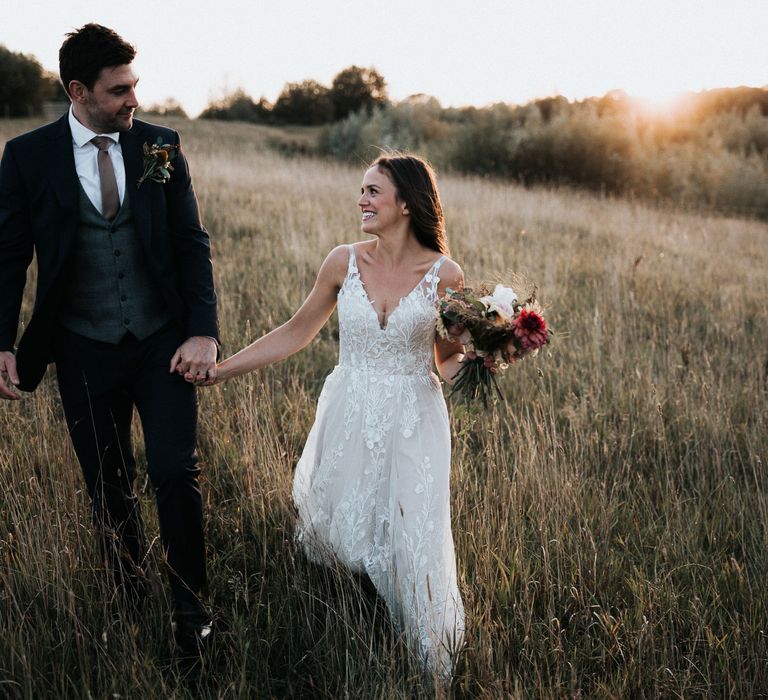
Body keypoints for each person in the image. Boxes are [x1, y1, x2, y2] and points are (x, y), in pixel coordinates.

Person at [197, 154, 466, 678]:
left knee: (410, 535)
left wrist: (486, 360)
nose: (361, 200)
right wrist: (222, 370)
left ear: (407, 203)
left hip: (414, 418)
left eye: (373, 191)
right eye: (361, 190)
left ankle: (424, 658)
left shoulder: (445, 275)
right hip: (350, 408)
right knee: (343, 527)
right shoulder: (343, 261)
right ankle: (348, 623)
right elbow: (296, 332)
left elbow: (448, 359)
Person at [0, 24, 218, 659]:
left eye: (135, 86)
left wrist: (202, 330)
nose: (133, 100)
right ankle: (127, 591)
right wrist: (4, 342)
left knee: (174, 469)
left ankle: (192, 614)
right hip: (81, 346)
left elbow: (190, 243)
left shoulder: (160, 147)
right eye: (119, 90)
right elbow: (10, 256)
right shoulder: (28, 157)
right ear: (78, 91)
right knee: (107, 481)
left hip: (160, 340)